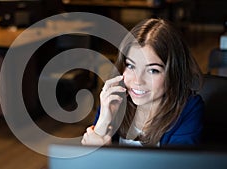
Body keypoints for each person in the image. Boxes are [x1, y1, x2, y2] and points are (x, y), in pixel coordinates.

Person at [81, 18, 204, 147]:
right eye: (131, 66)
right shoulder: (114, 98)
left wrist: (105, 155)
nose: (138, 80)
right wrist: (104, 121)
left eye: (152, 70)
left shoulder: (188, 109)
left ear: (174, 72)